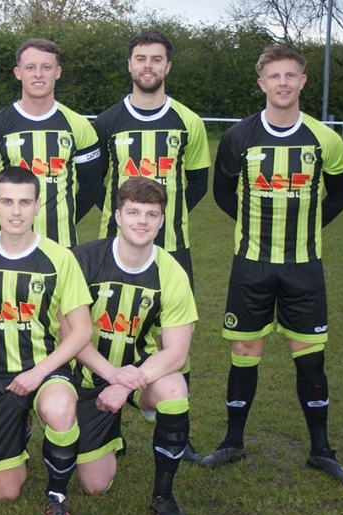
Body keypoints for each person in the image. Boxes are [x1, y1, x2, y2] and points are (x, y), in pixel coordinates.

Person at [202, 45, 343, 485]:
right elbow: (224, 194)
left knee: (309, 357)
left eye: (291, 75)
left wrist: (310, 225)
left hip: (304, 268)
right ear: (261, 84)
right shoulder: (237, 137)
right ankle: (232, 442)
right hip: (251, 266)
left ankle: (321, 450)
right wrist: (256, 226)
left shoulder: (326, 139)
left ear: (303, 81)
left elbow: (340, 193)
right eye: (274, 76)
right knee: (245, 352)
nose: (283, 83)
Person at [92, 29, 209, 462]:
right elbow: (91, 184)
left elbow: (197, 181)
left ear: (168, 66)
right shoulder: (106, 122)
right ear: (129, 65)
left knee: (177, 341)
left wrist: (167, 221)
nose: (148, 66)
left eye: (156, 59)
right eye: (140, 58)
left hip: (173, 249)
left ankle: (179, 428)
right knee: (110, 333)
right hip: (116, 251)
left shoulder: (187, 121)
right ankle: (109, 425)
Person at [0, 167, 93, 515]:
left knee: (60, 409)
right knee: (4, 492)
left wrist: (38, 373)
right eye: (7, 202)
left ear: (37, 206)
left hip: (46, 370)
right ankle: (20, 424)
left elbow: (82, 330)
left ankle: (57, 494)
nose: (16, 211)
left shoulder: (59, 258)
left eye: (24, 202)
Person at [69, 177, 197, 515]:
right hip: (87, 371)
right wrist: (111, 376)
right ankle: (110, 434)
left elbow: (177, 353)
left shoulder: (171, 271)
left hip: (138, 371)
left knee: (173, 390)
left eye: (151, 214)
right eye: (134, 212)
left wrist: (124, 385)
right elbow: (68, 334)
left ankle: (163, 494)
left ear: (161, 220)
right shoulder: (83, 259)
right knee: (95, 486)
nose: (142, 221)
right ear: (118, 216)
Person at [0, 38, 101, 248]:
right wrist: (4, 218)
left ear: (57, 72)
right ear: (18, 72)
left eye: (46, 67)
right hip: (8, 244)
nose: (38, 74)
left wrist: (66, 218)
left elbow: (91, 186)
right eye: (30, 67)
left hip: (63, 244)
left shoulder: (79, 125)